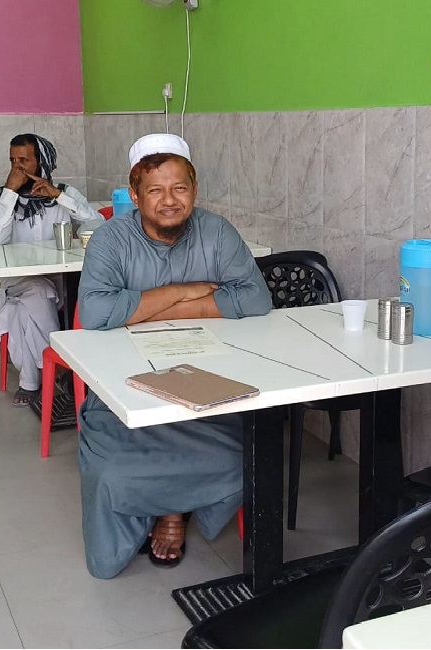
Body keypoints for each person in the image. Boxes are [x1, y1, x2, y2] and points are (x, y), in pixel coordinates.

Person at [76, 133, 273, 578]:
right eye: (155, 190)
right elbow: (96, 313)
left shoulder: (216, 232)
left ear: (194, 190)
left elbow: (256, 299)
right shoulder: (111, 240)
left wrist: (144, 309)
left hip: (209, 381)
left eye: (179, 188)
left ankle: (172, 511)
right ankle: (160, 510)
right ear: (135, 195)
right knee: (113, 472)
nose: (169, 200)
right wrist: (183, 291)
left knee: (242, 461)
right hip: (125, 386)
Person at [0, 134, 102, 407]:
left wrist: (58, 197)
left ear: (42, 162)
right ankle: (62, 367)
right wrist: (10, 193)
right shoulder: (3, 197)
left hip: (61, 282)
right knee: (36, 289)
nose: (17, 167)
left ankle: (31, 381)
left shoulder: (63, 192)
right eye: (13, 161)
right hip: (16, 280)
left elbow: (98, 223)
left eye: (24, 160)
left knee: (23, 310)